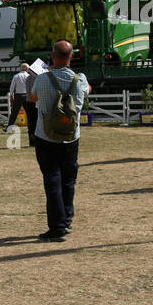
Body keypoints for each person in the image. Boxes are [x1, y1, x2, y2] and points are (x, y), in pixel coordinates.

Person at [29, 40, 89, 242]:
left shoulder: (43, 79)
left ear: (53, 56)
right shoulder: (81, 80)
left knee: (52, 180)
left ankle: (57, 226)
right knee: (68, 179)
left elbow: (33, 97)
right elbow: (88, 90)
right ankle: (67, 218)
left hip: (46, 136)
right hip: (72, 137)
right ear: (71, 57)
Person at [6, 63, 30, 136]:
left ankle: (9, 129)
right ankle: (31, 128)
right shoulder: (29, 76)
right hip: (27, 95)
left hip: (18, 95)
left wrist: (11, 96)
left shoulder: (16, 76)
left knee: (14, 113)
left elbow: (12, 87)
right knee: (29, 113)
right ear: (26, 69)